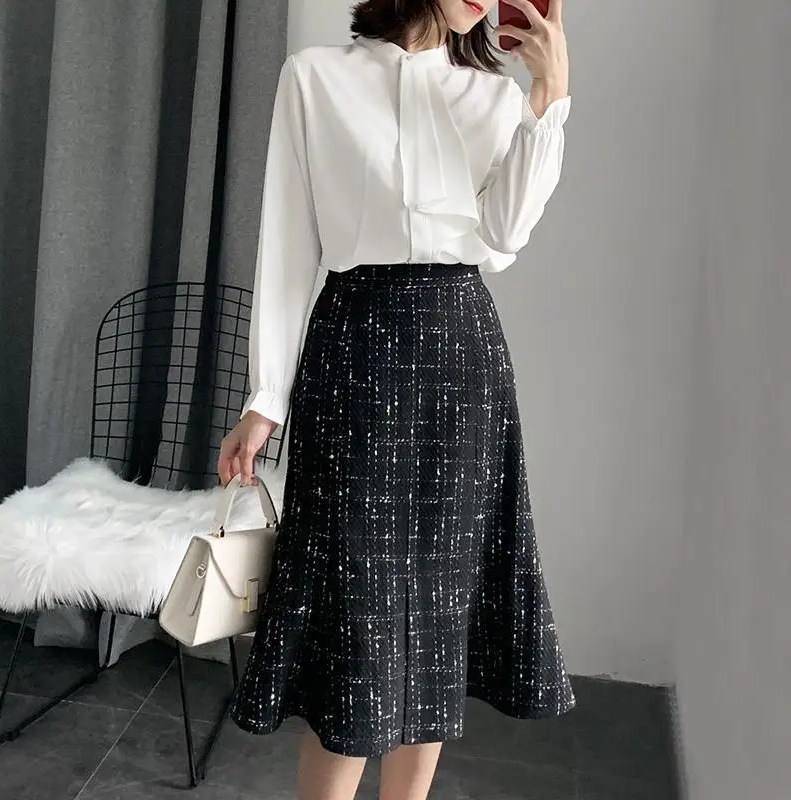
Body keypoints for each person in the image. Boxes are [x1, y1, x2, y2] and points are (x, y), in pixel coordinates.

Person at [218, 1, 575, 798]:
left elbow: (504, 237)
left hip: (462, 358)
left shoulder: (495, 96)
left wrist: (548, 100)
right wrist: (265, 398)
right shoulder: (315, 78)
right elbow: (288, 243)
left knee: (441, 610)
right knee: (355, 616)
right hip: (354, 349)